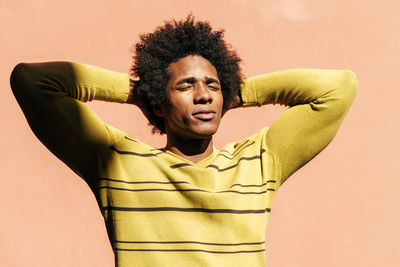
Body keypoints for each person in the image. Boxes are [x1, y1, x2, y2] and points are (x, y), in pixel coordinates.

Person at [10, 15, 358, 267]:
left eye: (212, 85)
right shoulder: (119, 164)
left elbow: (339, 87)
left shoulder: (259, 161)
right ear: (160, 103)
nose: (204, 95)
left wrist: (235, 92)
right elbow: (31, 81)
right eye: (186, 85)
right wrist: (142, 92)